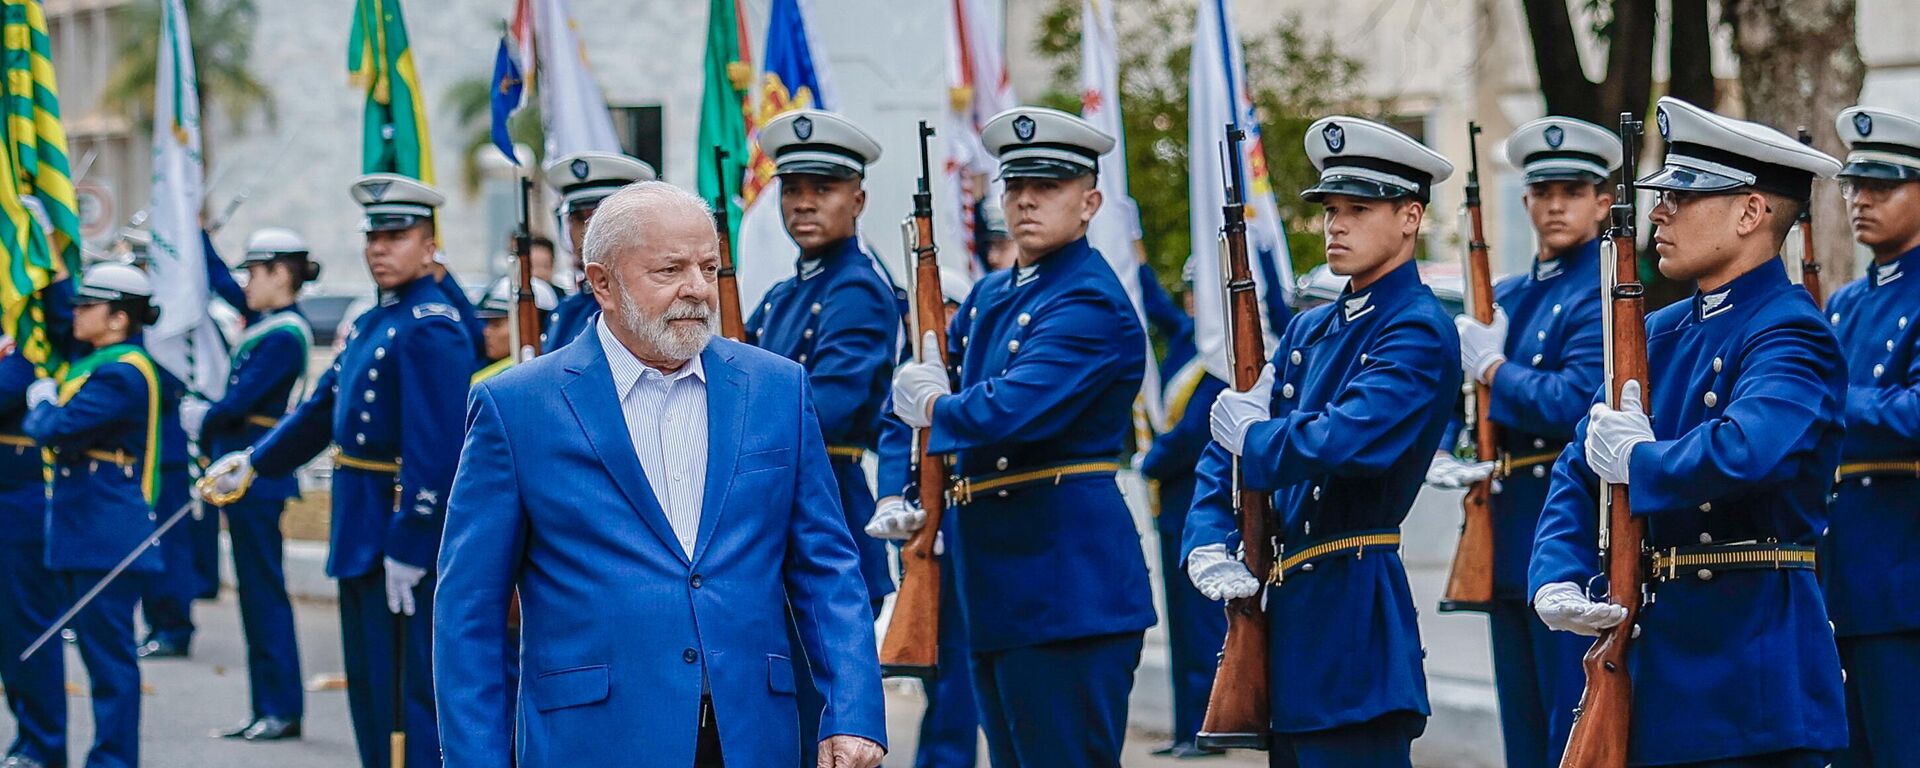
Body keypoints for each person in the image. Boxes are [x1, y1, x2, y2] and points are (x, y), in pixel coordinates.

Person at [433, 181, 886, 768]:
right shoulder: (518, 408)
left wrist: (851, 711)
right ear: (603, 284)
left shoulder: (776, 388)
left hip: (751, 737)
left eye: (708, 266)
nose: (698, 290)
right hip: (595, 742)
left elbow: (827, 565)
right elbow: (469, 608)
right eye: (670, 270)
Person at [1530, 96, 1847, 767]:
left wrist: (1641, 460)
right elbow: (1578, 464)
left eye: (1684, 197)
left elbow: (1745, 450)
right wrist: (1556, 571)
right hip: (1656, 659)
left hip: (1751, 672)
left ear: (1751, 212)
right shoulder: (1657, 333)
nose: (1660, 213)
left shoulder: (1791, 332)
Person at [873, 106, 1155, 768]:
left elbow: (1003, 411)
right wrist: (902, 488)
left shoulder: (1089, 302)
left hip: (1065, 592)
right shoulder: (994, 294)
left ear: (1089, 202)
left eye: (1048, 186)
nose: (1024, 200)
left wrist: (934, 407)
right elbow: (918, 400)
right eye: (1014, 186)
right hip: (999, 587)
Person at [1181, 116, 1458, 767]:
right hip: (1289, 624)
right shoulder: (1310, 330)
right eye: (1332, 209)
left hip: (1354, 624)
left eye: (1358, 209)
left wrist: (1254, 438)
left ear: (1410, 217)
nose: (1336, 224)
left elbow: (1350, 438)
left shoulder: (1416, 329)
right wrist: (1206, 538)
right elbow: (1225, 449)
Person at [203, 173, 474, 768]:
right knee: (373, 689)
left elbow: (437, 447)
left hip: (396, 524)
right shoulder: (378, 321)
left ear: (430, 245)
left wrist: (413, 540)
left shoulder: (432, 325)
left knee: (409, 697)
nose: (380, 247)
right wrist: (253, 461)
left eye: (397, 235)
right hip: (360, 521)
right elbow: (322, 408)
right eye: (373, 236)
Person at [1423, 116, 1618, 767]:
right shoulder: (1508, 293)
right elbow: (1472, 409)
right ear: (1527, 199)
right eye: (1544, 191)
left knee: (1572, 723)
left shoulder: (1602, 290)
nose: (1556, 204)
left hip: (1564, 537)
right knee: (1525, 733)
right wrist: (1456, 440)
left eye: (1572, 191)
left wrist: (1493, 370)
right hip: (1505, 534)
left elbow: (1574, 403)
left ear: (1602, 201)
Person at [745, 108, 901, 761]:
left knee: (819, 730)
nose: (804, 204)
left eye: (824, 189)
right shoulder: (786, 294)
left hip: (823, 511)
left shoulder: (858, 289)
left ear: (857, 198)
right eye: (793, 188)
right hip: (767, 515)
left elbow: (828, 409)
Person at [23, 263, 170, 768]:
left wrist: (40, 405)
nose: (76, 313)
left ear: (118, 318)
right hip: (87, 530)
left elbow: (59, 428)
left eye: (89, 305)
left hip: (104, 533)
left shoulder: (121, 372)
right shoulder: (103, 361)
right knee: (99, 656)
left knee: (109, 663)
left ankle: (113, 761)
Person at [183, 228, 321, 742]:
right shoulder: (269, 325)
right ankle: (266, 705)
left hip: (258, 480)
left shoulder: (284, 334)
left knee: (264, 597)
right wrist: (193, 232)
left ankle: (280, 708)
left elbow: (239, 406)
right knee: (254, 596)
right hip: (245, 478)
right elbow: (219, 282)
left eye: (254, 272)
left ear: (280, 274)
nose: (245, 283)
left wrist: (204, 417)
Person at [1822, 105, 1920, 768]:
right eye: (1855, 185)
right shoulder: (1847, 302)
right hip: (1841, 578)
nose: (1861, 200)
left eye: (1882, 187)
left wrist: (1825, 402)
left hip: (1903, 575)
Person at [1134, 257, 1225, 759]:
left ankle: (1211, 725)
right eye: (1188, 290)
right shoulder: (1191, 338)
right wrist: (1135, 254)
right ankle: (1187, 727)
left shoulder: (1219, 354)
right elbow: (1153, 306)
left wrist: (1151, 460)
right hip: (1172, 505)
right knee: (1181, 627)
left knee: (1202, 623)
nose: (1191, 299)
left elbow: (1193, 434)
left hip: (1197, 500)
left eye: (1200, 290)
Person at [543, 151, 657, 350]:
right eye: (577, 218)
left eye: (598, 218)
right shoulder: (567, 311)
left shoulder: (648, 305)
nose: (587, 231)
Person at [471, 275, 558, 385]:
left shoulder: (490, 383)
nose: (486, 331)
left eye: (496, 324)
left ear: (532, 324)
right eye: (488, 323)